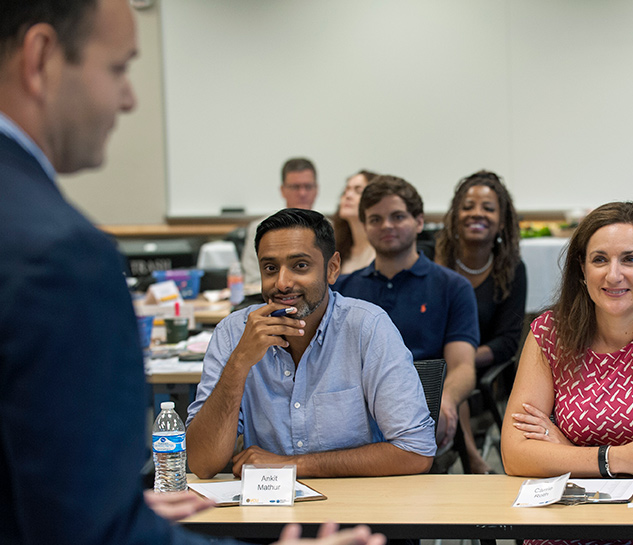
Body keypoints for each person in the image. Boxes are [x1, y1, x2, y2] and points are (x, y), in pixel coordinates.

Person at [0, 2, 386, 545]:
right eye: (117, 68)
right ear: (41, 57)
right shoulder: (60, 252)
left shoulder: (367, 325)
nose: (130, 98)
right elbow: (92, 530)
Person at [502, 202, 633, 545]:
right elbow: (515, 454)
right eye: (599, 259)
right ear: (582, 270)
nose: (613, 275)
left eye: (629, 259)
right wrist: (616, 457)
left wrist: (565, 450)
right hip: (569, 514)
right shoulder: (549, 332)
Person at [186, 208, 436, 479]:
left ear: (332, 268)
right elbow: (202, 463)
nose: (282, 283)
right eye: (270, 268)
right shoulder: (233, 333)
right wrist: (239, 363)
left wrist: (290, 465)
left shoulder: (367, 326)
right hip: (266, 512)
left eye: (300, 266)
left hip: (355, 506)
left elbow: (416, 452)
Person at [334, 175, 479, 451]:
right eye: (375, 219)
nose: (387, 225)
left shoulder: (452, 287)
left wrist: (446, 400)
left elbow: (462, 366)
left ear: (419, 222)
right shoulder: (342, 289)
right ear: (364, 226)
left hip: (421, 407)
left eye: (398, 216)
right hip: (352, 411)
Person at [435, 170, 527, 474]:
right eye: (468, 206)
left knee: (455, 369)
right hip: (425, 359)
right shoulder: (431, 260)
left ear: (501, 221)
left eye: (488, 208)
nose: (477, 213)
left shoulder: (512, 270)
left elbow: (508, 341)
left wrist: (463, 357)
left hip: (481, 366)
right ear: (455, 215)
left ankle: (471, 457)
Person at [242, 157, 319, 285]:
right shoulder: (260, 228)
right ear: (283, 190)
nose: (302, 193)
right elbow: (253, 280)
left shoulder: (331, 229)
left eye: (308, 186)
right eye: (295, 187)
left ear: (316, 189)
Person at [333, 170, 379, 275]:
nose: (348, 196)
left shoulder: (383, 251)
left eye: (358, 191)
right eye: (346, 191)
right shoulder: (337, 249)